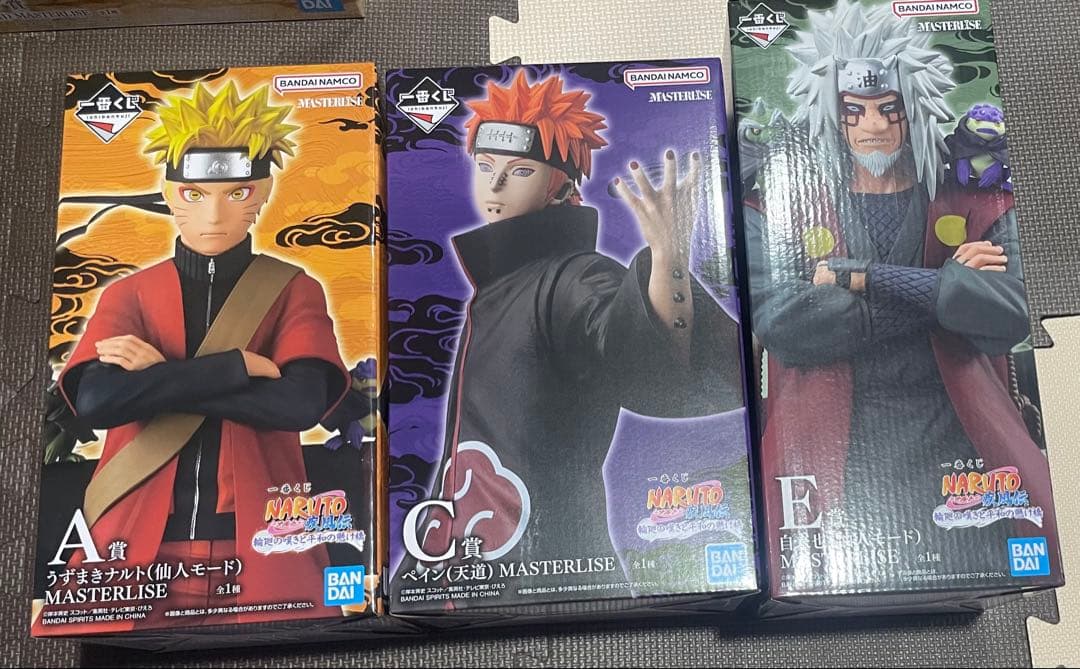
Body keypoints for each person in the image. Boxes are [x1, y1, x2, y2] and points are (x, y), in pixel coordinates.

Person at [745, 0, 1058, 588]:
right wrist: (947, 292)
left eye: (890, 109)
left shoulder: (975, 192)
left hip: (964, 443)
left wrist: (863, 278)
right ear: (829, 113)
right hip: (827, 452)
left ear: (915, 108)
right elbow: (785, 323)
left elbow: (1009, 315)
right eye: (854, 111)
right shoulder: (779, 199)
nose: (873, 126)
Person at [400, 70, 744, 587]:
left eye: (519, 170)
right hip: (464, 562)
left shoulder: (573, 275)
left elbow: (640, 362)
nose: (494, 185)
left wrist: (668, 258)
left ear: (560, 185)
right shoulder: (501, 283)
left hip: (546, 569)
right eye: (485, 166)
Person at [43, 82, 350, 631]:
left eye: (237, 192)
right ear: (168, 192)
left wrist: (158, 378)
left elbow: (299, 405)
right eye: (193, 193)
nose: (214, 213)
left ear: (262, 192)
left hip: (264, 539)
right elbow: (96, 402)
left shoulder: (292, 288)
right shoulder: (130, 294)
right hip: (129, 536)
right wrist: (235, 368)